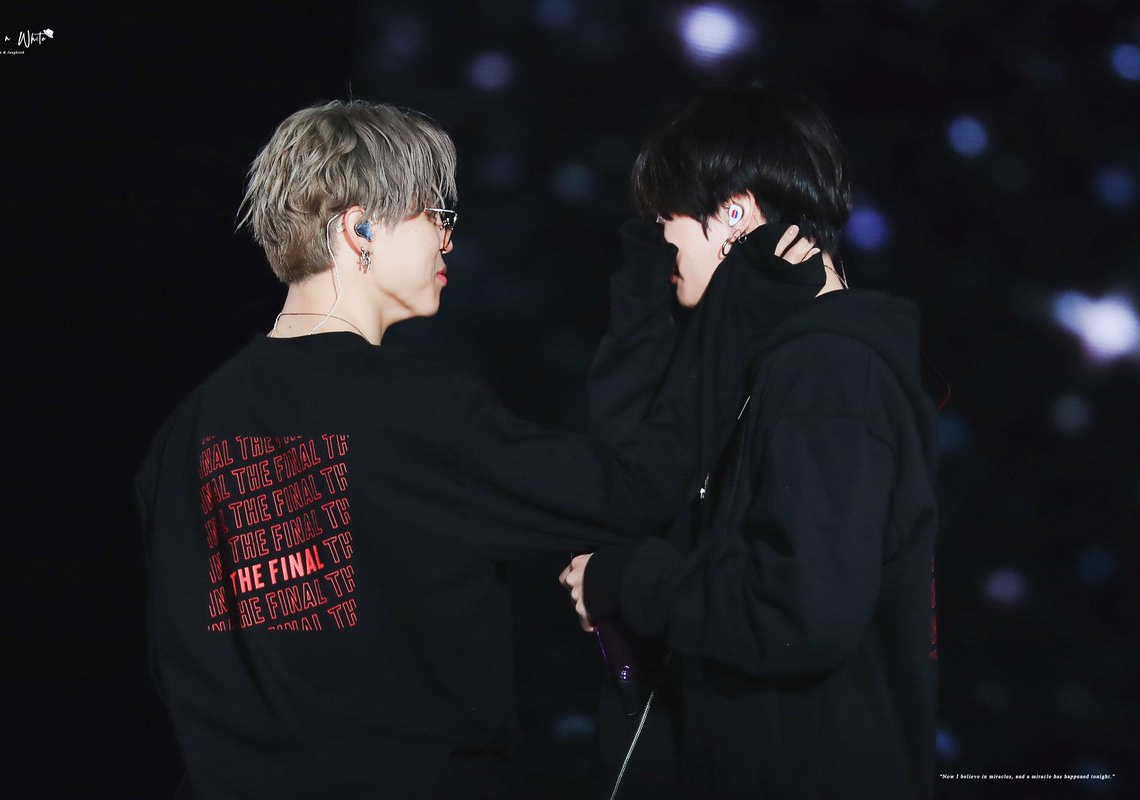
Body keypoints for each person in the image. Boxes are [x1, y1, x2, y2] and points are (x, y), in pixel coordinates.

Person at [135, 99, 722, 799]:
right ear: (358, 227)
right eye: (433, 215)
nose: (448, 241)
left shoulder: (183, 435)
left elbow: (176, 662)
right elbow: (630, 493)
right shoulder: (415, 408)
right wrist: (711, 309)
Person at [560, 85, 941, 799]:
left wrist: (629, 582)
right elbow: (627, 484)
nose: (657, 238)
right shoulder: (771, 365)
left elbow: (797, 612)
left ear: (734, 211)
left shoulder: (828, 374)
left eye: (664, 216)